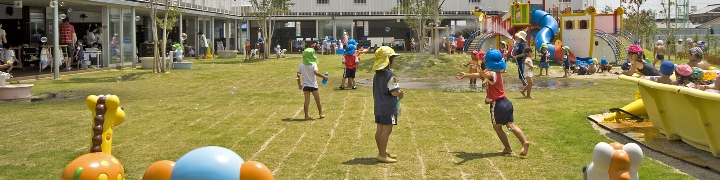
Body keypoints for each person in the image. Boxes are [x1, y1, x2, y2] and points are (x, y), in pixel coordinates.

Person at [455, 49, 530, 156]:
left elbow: (486, 75)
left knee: (497, 127)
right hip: (506, 102)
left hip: (498, 104)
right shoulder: (498, 73)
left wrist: (480, 68)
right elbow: (481, 75)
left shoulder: (491, 74)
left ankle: (508, 148)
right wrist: (466, 75)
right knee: (511, 126)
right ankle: (524, 142)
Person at [372, 46, 403, 163]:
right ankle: (382, 155)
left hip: (379, 107)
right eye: (394, 58)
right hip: (389, 108)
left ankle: (382, 151)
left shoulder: (377, 75)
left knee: (379, 130)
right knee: (387, 130)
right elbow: (394, 92)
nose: (395, 61)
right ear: (388, 60)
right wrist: (400, 93)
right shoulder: (391, 75)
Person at [296, 47, 327, 120]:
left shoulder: (301, 65)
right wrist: (324, 77)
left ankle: (306, 116)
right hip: (313, 85)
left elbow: (298, 75)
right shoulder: (313, 64)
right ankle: (321, 114)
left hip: (305, 85)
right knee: (318, 100)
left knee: (306, 101)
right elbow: (316, 73)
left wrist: (299, 84)